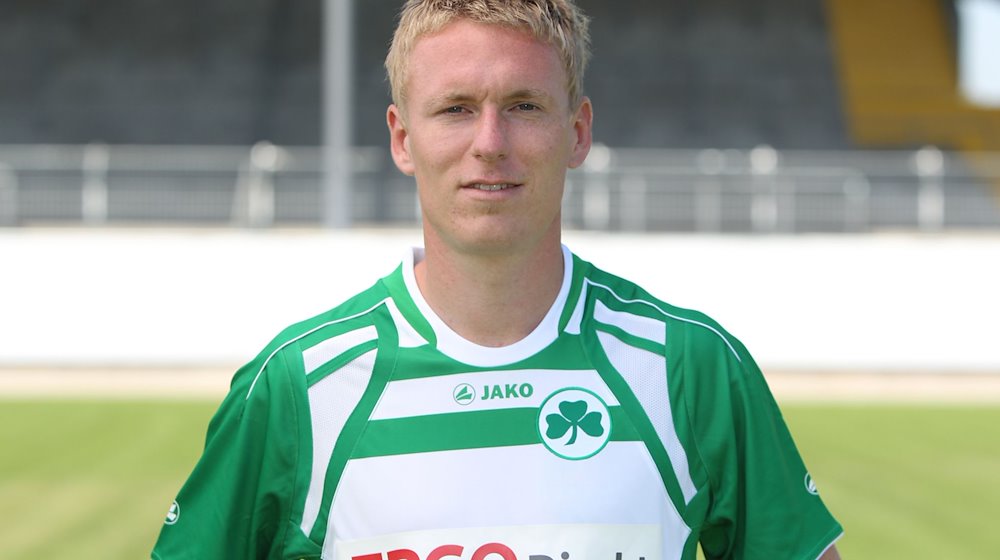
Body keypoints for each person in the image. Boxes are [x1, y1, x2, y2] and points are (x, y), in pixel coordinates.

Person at [152, 1, 843, 558]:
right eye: (456, 108)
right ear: (401, 138)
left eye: (524, 106)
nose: (490, 142)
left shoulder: (691, 369)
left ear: (577, 131)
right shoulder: (298, 387)